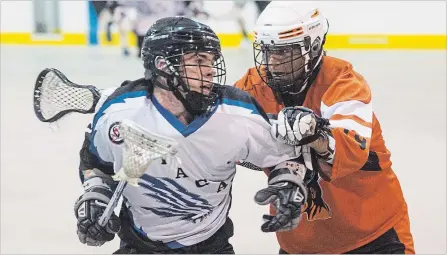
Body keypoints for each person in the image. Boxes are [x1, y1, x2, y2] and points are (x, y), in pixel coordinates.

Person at [74, 16, 311, 254]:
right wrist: (96, 200)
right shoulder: (120, 112)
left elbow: (283, 157)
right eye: (199, 61)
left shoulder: (237, 112)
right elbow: (96, 165)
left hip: (211, 246)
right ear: (163, 65)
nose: (209, 71)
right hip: (138, 245)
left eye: (211, 61)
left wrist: (288, 186)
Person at [235, 1, 415, 254]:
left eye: (285, 52)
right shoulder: (251, 86)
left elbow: (350, 150)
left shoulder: (343, 81)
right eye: (267, 50)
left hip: (375, 235)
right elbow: (226, 140)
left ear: (314, 45)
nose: (273, 62)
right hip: (302, 242)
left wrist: (315, 134)